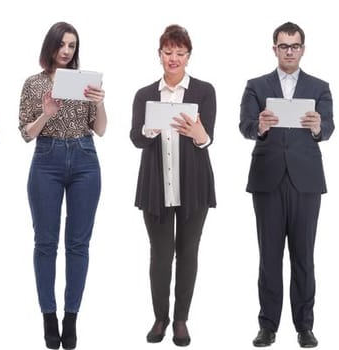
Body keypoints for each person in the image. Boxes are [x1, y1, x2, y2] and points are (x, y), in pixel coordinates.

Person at [240, 22, 332, 349]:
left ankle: (304, 326)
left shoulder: (319, 87)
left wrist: (320, 127)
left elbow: (329, 128)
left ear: (303, 49)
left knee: (303, 256)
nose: (289, 51)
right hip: (268, 179)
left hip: (306, 181)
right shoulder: (256, 85)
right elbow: (245, 126)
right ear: (274, 49)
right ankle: (268, 326)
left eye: (294, 46)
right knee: (269, 256)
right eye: (283, 46)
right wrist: (260, 126)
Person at [16, 22, 107, 350]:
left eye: (72, 45)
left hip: (84, 158)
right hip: (47, 159)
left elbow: (101, 130)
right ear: (51, 46)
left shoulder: (85, 83)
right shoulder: (34, 83)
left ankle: (71, 318)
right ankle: (48, 317)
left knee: (78, 245)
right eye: (62, 44)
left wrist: (98, 102)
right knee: (45, 243)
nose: (67, 50)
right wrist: (46, 112)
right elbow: (26, 133)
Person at [129, 24, 216, 348]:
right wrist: (150, 129)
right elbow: (136, 137)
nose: (174, 58)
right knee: (161, 254)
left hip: (193, 185)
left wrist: (200, 135)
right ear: (160, 54)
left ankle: (181, 319)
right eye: (168, 52)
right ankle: (160, 317)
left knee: (188, 252)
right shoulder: (145, 94)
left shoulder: (204, 91)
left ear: (188, 56)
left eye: (180, 53)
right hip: (156, 184)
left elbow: (208, 139)